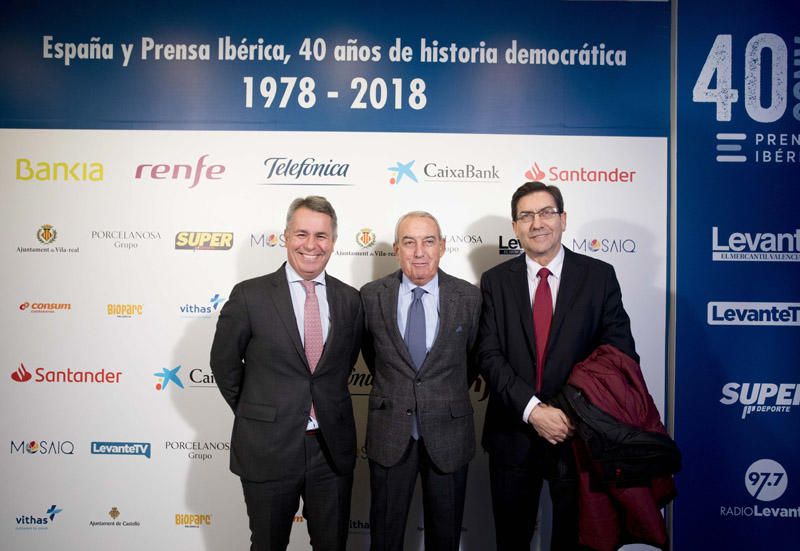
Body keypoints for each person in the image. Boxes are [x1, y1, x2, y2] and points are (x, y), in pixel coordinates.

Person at [478, 181, 638, 550]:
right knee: (511, 539)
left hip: (577, 435)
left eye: (547, 212)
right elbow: (488, 355)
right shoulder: (494, 281)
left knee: (575, 540)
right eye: (526, 215)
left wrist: (564, 413)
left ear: (563, 219)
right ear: (516, 226)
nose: (538, 223)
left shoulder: (599, 277)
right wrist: (534, 411)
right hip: (513, 435)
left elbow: (619, 356)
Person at [210, 196, 363, 551]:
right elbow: (224, 364)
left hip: (330, 450)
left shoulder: (350, 300)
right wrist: (259, 412)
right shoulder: (250, 295)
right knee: (267, 544)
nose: (311, 245)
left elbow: (341, 366)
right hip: (268, 447)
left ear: (334, 242)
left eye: (322, 236)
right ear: (285, 236)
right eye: (302, 234)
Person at [360, 211, 481, 551]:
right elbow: (373, 357)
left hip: (449, 433)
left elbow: (470, 362)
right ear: (396, 249)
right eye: (409, 242)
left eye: (428, 241)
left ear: (442, 246)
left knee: (445, 538)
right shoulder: (371, 296)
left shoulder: (469, 298)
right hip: (389, 432)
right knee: (385, 537)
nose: (419, 252)